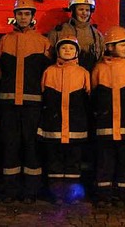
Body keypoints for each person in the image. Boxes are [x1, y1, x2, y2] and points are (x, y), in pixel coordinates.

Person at [0, 0, 51, 203]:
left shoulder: (43, 42)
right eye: (20, 14)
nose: (23, 17)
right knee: (10, 146)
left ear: (32, 17)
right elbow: (0, 71)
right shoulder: (4, 40)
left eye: (27, 14)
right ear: (15, 17)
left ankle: (31, 191)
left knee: (31, 146)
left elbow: (46, 74)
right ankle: (11, 191)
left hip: (32, 104)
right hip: (9, 104)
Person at [91, 26, 125, 207]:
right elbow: (94, 96)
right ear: (110, 46)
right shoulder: (99, 69)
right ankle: (104, 195)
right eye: (123, 45)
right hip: (106, 126)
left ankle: (124, 196)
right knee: (105, 162)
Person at [38, 35, 91, 205]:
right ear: (57, 51)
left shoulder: (83, 73)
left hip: (76, 127)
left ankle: (71, 194)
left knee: (73, 162)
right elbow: (43, 97)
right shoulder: (49, 72)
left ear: (77, 52)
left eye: (71, 48)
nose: (67, 51)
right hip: (53, 127)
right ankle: (57, 194)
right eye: (63, 48)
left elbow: (88, 98)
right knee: (55, 162)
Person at [48, 0, 104, 73]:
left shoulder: (97, 35)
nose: (84, 13)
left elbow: (100, 59)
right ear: (73, 10)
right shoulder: (59, 31)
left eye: (87, 10)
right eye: (81, 9)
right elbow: (49, 57)